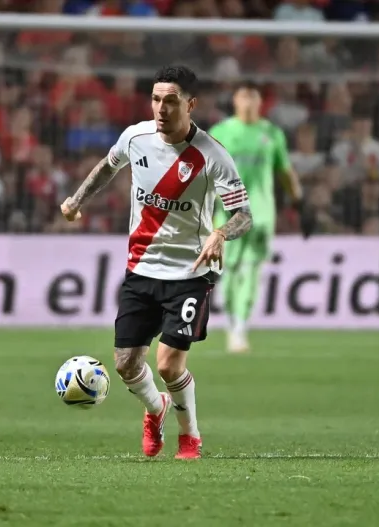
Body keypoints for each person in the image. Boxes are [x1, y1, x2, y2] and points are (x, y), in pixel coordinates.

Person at [59, 65, 253, 460]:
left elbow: (244, 215)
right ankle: (156, 408)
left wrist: (220, 233)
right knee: (125, 364)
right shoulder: (136, 137)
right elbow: (108, 166)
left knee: (168, 366)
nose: (161, 108)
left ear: (190, 104)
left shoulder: (212, 155)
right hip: (141, 268)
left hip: (190, 272)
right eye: (155, 99)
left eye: (171, 101)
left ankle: (190, 436)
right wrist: (77, 200)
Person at [209, 82, 309, 353]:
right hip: (228, 211)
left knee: (252, 268)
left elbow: (285, 171)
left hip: (261, 213)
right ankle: (232, 322)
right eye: (243, 97)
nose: (248, 102)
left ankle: (240, 326)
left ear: (260, 102)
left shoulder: (271, 133)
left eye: (253, 97)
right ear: (235, 100)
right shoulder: (220, 133)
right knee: (229, 268)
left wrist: (299, 203)